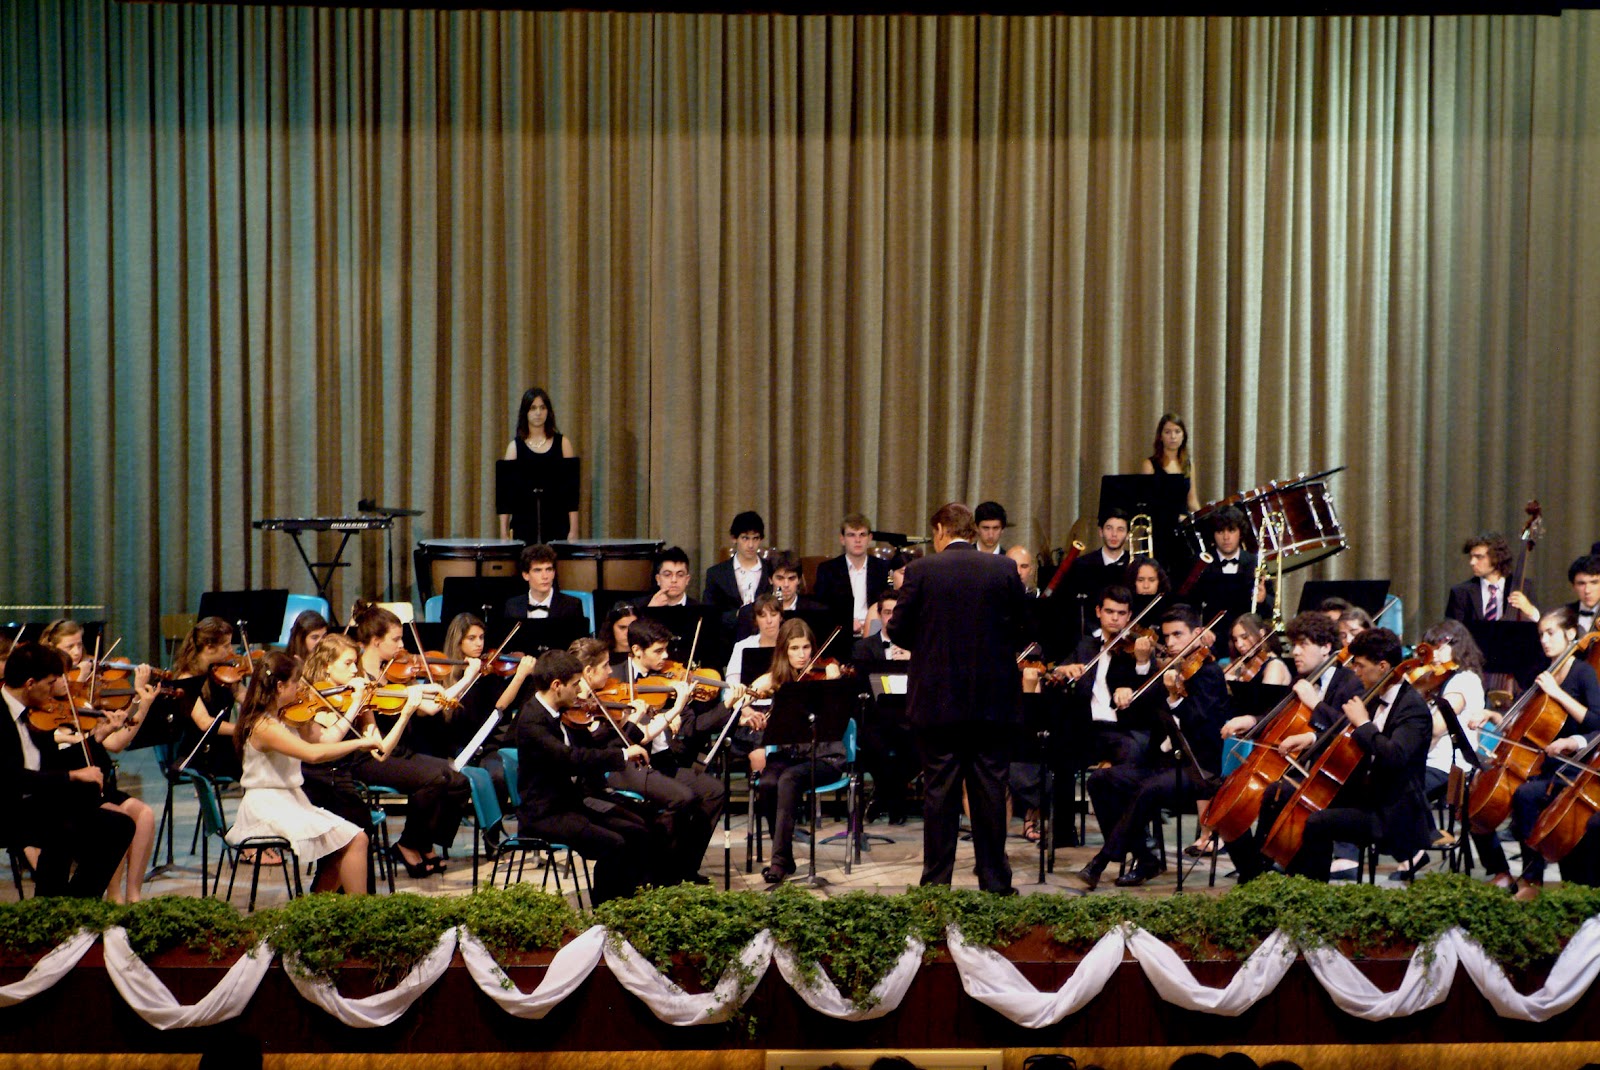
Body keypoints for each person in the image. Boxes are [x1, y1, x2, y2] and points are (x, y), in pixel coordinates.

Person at [887, 502, 1026, 894]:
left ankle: (935, 885)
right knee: (990, 793)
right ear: (971, 530)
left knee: (939, 794)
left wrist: (931, 642)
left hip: (938, 703)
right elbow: (1024, 626)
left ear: (941, 530)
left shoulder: (921, 570)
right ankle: (996, 883)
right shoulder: (1003, 569)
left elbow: (896, 631)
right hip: (993, 704)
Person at [1078, 605, 1232, 889]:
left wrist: (1174, 698)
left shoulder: (1208, 673)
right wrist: (1134, 682)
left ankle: (1101, 859)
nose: (1170, 642)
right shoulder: (1170, 671)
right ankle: (1145, 857)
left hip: (1199, 769)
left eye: (1178, 635)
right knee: (1101, 780)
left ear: (1198, 634)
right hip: (1163, 764)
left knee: (1148, 789)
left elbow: (1200, 722)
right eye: (1167, 636)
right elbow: (1141, 715)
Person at [227, 650, 394, 894]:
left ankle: (317, 912)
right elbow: (312, 755)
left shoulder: (286, 717)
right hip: (268, 805)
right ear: (281, 686)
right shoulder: (263, 725)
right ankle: (359, 913)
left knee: (351, 841)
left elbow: (325, 741)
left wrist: (355, 706)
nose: (301, 690)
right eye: (296, 684)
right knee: (355, 840)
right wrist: (359, 743)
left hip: (291, 799)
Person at [1217, 611, 1365, 882]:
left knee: (1277, 792)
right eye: (1294, 644)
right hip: (1304, 771)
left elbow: (1349, 728)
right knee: (1230, 796)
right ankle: (1256, 868)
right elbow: (1277, 716)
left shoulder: (1349, 681)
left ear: (1325, 647)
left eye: (1303, 645)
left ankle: (1272, 869)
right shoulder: (1304, 679)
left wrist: (1315, 705)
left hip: (1337, 778)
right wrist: (1250, 720)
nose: (1295, 652)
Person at [1469, 606, 1600, 899]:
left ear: (1569, 634)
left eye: (1550, 633)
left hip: (1573, 766)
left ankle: (1534, 876)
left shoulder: (1582, 672)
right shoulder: (1542, 674)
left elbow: (1596, 722)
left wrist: (1557, 694)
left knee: (1526, 796)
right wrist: (1493, 716)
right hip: (1544, 762)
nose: (1544, 640)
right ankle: (1529, 878)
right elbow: (1525, 727)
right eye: (1541, 634)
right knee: (1504, 795)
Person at [344, 601, 478, 878]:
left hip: (401, 751)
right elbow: (427, 704)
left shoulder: (394, 674)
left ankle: (424, 842)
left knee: (459, 781)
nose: (402, 644)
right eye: (395, 638)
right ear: (376, 641)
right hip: (368, 758)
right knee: (435, 778)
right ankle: (407, 844)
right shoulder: (357, 678)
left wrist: (448, 684)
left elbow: (431, 707)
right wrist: (466, 678)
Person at [514, 649, 655, 905]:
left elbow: (594, 751)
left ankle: (638, 904)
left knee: (639, 831)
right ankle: (607, 914)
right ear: (557, 686)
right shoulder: (531, 721)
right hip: (544, 814)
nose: (580, 691)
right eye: (575, 684)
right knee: (614, 844)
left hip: (569, 805)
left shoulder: (563, 714)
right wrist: (622, 756)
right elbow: (571, 760)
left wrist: (629, 734)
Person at [2, 642, 137, 898]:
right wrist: (72, 776)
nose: (54, 691)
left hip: (36, 804)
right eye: (51, 683)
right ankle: (54, 906)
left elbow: (52, 764)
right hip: (8, 808)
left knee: (118, 825)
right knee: (64, 826)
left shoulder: (32, 716)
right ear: (30, 683)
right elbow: (10, 777)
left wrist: (97, 737)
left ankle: (76, 904)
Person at [39, 624, 159, 903]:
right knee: (117, 820)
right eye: (70, 647)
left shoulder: (80, 699)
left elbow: (116, 743)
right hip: (78, 793)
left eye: (80, 645)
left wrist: (142, 704)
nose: (80, 653)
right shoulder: (49, 708)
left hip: (102, 785)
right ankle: (112, 895)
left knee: (145, 815)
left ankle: (133, 894)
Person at [742, 619, 847, 883]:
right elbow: (742, 697)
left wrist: (834, 684)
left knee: (788, 779)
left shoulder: (827, 675)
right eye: (794, 648)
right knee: (767, 782)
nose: (802, 655)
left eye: (806, 647)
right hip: (789, 755)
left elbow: (842, 714)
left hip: (825, 756)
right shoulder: (776, 679)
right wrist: (746, 709)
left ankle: (777, 863)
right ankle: (786, 857)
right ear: (783, 651)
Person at [853, 588, 915, 825]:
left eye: (896, 612)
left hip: (909, 718)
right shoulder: (864, 648)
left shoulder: (918, 647)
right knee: (872, 745)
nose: (892, 617)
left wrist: (912, 660)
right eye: (887, 612)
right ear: (880, 615)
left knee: (920, 745)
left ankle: (881, 795)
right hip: (876, 719)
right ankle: (895, 800)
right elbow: (862, 688)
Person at [498, 386, 580, 544]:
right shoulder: (514, 448)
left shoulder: (563, 444)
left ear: (548, 411)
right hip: (524, 524)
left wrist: (574, 529)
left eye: (542, 408)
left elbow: (571, 493)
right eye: (533, 408)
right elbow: (506, 497)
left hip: (557, 522)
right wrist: (503, 532)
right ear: (525, 412)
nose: (538, 413)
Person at [1193, 506, 1272, 643]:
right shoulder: (1202, 564)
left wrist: (1263, 600)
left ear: (1240, 533)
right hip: (1211, 638)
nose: (1226, 537)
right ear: (1213, 534)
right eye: (1220, 531)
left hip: (1247, 639)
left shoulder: (1255, 562)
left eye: (1231, 530)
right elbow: (1191, 604)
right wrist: (1200, 630)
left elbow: (1270, 608)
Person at [1063, 509, 1133, 642]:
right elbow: (1072, 607)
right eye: (1109, 528)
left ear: (1128, 534)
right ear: (1100, 532)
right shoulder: (1082, 565)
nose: (1114, 534)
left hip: (1128, 637)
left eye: (1120, 529)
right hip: (1091, 637)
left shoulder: (1136, 564)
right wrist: (1096, 632)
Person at [815, 514, 891, 637]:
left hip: (876, 633)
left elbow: (888, 602)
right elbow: (822, 607)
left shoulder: (883, 568)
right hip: (840, 633)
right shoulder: (827, 569)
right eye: (851, 535)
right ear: (842, 539)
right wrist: (847, 622)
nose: (857, 540)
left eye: (862, 535)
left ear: (870, 538)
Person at [705, 511, 773, 636]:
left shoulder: (771, 570)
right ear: (734, 538)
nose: (751, 545)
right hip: (727, 642)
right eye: (745, 538)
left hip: (765, 638)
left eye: (756, 538)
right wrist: (739, 614)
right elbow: (710, 615)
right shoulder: (716, 574)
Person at [735, 550, 826, 640]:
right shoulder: (748, 613)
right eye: (780, 578)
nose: (786, 584)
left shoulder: (817, 612)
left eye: (791, 578)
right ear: (770, 579)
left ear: (799, 580)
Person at [1445, 533, 1534, 622]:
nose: (1472, 562)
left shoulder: (1524, 586)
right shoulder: (1460, 593)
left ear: (1497, 557)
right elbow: (1453, 630)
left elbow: (1540, 626)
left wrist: (1530, 610)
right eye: (1471, 557)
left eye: (1479, 557)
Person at [1517, 554, 1600, 636]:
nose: (1587, 590)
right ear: (1573, 586)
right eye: (1581, 584)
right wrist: (1531, 612)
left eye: (1594, 583)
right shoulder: (1564, 613)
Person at [504, 543, 587, 624]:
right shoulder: (512, 606)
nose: (545, 576)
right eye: (538, 570)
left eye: (548, 569)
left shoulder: (572, 606)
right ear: (526, 575)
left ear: (554, 573)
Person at [1138, 412, 1202, 515]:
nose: (1173, 436)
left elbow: (1192, 501)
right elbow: (1147, 503)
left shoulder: (1189, 464)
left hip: (1183, 523)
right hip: (1160, 523)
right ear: (1160, 437)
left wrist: (1202, 520)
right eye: (1167, 432)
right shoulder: (1150, 464)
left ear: (1183, 436)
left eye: (1177, 432)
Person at [1223, 613, 1291, 686]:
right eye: (1235, 640)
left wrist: (1236, 684)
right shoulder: (1243, 662)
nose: (1239, 644)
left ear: (1261, 634)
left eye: (1244, 637)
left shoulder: (1275, 665)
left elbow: (1265, 696)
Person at [635, 546, 700, 608]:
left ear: (687, 580)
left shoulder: (700, 609)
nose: (674, 580)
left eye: (680, 575)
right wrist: (651, 610)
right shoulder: (638, 606)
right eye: (667, 575)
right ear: (658, 579)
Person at [1125, 556, 1171, 621]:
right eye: (1140, 580)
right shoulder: (1126, 605)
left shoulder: (1169, 607)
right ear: (1133, 581)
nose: (1146, 586)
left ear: (1159, 581)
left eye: (1152, 580)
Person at [598, 601, 638, 673]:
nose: (627, 632)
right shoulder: (601, 657)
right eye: (622, 627)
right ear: (611, 627)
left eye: (632, 627)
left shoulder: (646, 655)